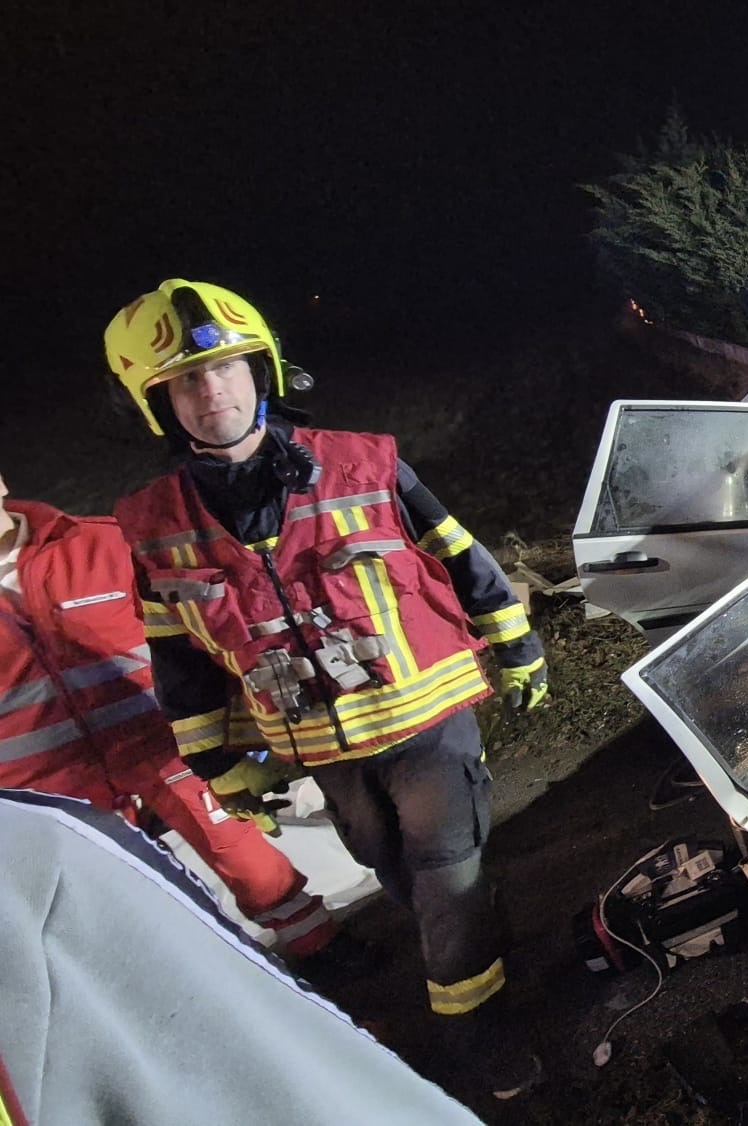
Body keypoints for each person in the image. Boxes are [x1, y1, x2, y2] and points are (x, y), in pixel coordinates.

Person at [103, 278, 550, 1099]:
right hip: (322, 749)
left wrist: (516, 645)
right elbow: (178, 655)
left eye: (227, 367)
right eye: (185, 381)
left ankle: (478, 1032)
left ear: (263, 370)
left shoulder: (363, 463)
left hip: (426, 721)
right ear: (156, 404)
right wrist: (217, 764)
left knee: (444, 867)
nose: (211, 391)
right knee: (394, 869)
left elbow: (458, 552)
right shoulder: (156, 526)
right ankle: (483, 947)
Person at [0, 471, 354, 969]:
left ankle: (320, 945)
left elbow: (186, 632)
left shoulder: (102, 543)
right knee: (102, 894)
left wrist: (235, 717)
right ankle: (180, 981)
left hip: (157, 738)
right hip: (44, 779)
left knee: (236, 847)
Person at [0, 788, 480, 1126]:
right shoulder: (40, 847)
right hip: (59, 777)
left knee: (229, 864)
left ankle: (319, 966)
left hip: (125, 745)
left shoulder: (40, 845)